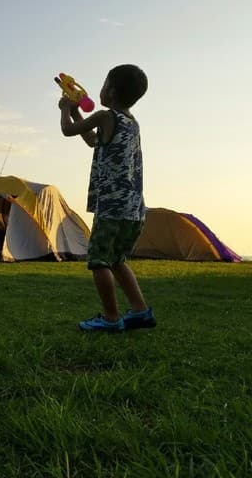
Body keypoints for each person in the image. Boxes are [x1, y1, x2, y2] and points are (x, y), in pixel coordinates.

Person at [58, 64, 156, 333]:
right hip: (134, 209)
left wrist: (65, 110)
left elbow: (69, 130)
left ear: (110, 92)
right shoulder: (130, 123)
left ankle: (111, 318)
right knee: (117, 260)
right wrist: (77, 109)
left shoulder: (104, 116)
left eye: (104, 84)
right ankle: (140, 311)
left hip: (112, 207)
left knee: (100, 260)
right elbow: (90, 139)